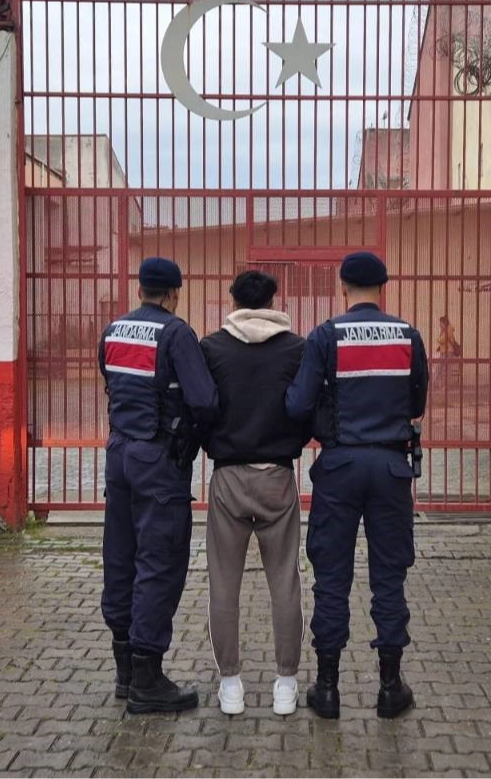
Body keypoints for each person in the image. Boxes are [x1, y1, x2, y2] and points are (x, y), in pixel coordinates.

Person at [285, 251, 428, 720]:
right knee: (389, 576)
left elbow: (298, 403)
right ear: (383, 287)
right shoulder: (407, 336)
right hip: (390, 468)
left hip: (340, 467)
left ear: (342, 286)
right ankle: (390, 688)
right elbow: (417, 402)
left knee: (332, 576)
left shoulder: (326, 335)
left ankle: (327, 689)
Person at [98, 257, 218, 714]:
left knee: (120, 555)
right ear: (173, 294)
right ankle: (148, 679)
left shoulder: (114, 330)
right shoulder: (175, 333)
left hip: (118, 456)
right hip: (158, 461)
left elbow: (111, 381)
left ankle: (125, 672)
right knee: (159, 561)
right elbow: (204, 400)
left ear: (140, 290)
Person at [199, 270, 310, 717]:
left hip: (228, 476)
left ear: (234, 301)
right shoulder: (297, 349)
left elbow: (202, 406)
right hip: (278, 476)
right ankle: (286, 684)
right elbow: (305, 406)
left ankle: (231, 685)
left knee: (223, 582)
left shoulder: (211, 348)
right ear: (272, 300)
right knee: (284, 580)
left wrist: (211, 442)